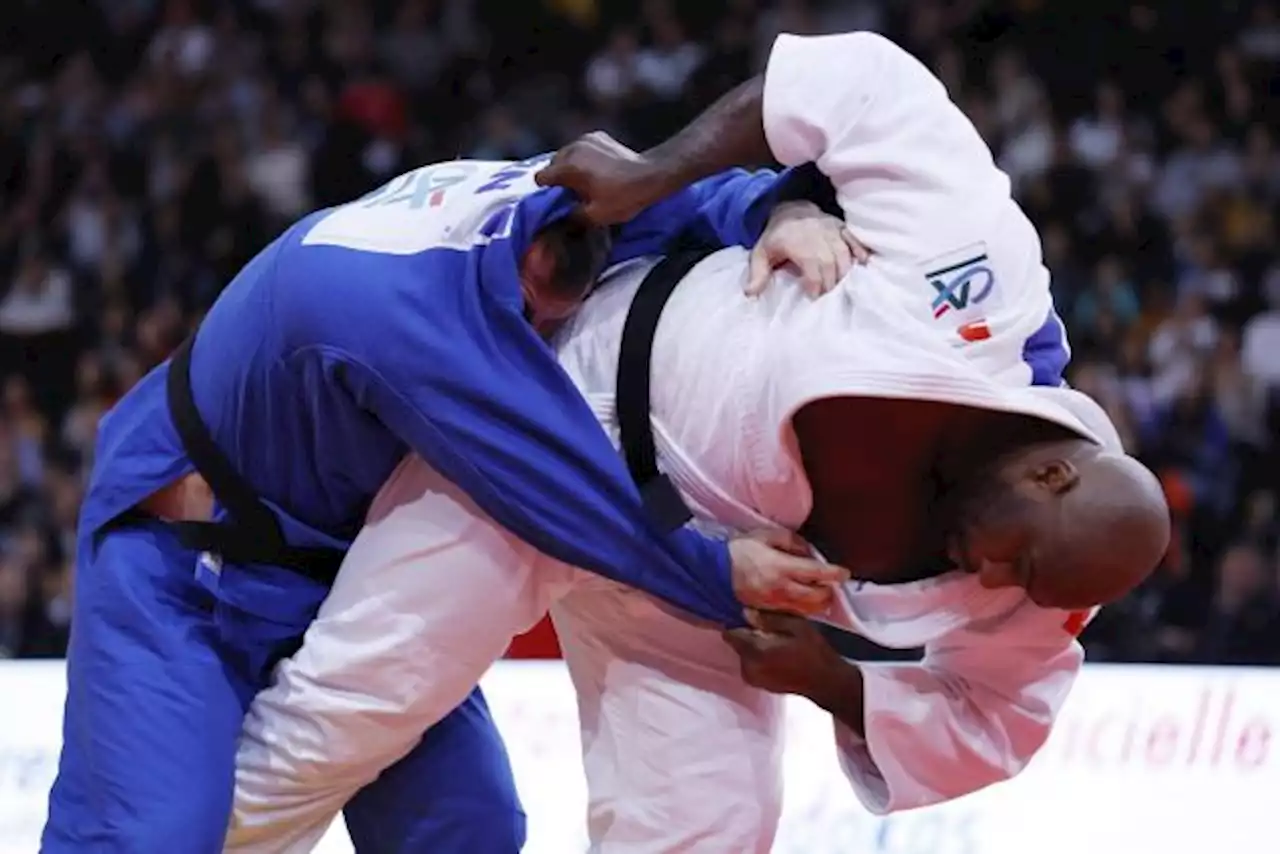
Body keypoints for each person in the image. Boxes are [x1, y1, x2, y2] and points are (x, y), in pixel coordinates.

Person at [223, 31, 1170, 852]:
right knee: (352, 710)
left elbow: (1002, 723)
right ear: (1050, 473)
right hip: (547, 432)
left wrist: (835, 681)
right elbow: (858, 83)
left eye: (1018, 588)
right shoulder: (989, 294)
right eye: (1015, 559)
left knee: (714, 830)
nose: (995, 581)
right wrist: (659, 170)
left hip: (699, 587)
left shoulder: (1050, 586)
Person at [40, 150, 852, 854]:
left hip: (338, 558)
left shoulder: (564, 199)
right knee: (151, 839)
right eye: (525, 316)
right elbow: (556, 488)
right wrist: (712, 571)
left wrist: (782, 207)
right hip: (187, 571)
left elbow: (689, 197)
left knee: (470, 828)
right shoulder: (405, 313)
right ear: (514, 272)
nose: (532, 337)